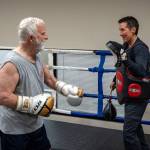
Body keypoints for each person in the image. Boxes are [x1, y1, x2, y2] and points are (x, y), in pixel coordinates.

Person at [0, 17, 84, 150]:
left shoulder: (36, 57)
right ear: (31, 38)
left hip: (36, 125)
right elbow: (2, 96)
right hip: (15, 131)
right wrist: (31, 104)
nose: (47, 37)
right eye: (43, 33)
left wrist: (66, 89)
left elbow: (49, 79)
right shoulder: (12, 63)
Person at [110, 16, 150, 150]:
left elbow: (141, 70)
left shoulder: (141, 48)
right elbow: (122, 66)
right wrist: (115, 80)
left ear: (133, 30)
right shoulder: (126, 46)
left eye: (123, 30)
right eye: (119, 30)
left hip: (138, 96)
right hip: (130, 93)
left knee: (128, 132)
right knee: (135, 127)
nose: (120, 33)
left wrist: (126, 60)